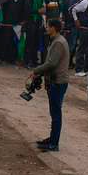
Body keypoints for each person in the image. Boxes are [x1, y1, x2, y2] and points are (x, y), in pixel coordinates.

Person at [30, 18, 70, 151]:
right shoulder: (57, 41)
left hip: (57, 82)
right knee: (54, 113)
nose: (46, 28)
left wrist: (36, 71)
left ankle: (54, 143)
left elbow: (52, 63)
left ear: (53, 28)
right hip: (55, 80)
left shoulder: (58, 42)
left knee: (56, 113)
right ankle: (52, 139)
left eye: (48, 26)